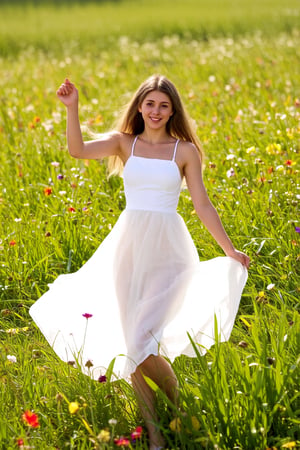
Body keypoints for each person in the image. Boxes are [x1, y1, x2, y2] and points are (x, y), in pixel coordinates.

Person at [30, 75, 249, 450]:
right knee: (133, 341)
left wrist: (228, 249)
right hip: (128, 247)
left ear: (173, 110)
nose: (156, 111)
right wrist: (72, 108)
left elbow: (202, 204)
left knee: (142, 341)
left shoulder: (184, 151)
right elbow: (78, 150)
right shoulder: (123, 143)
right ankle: (155, 435)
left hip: (170, 250)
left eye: (164, 105)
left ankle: (180, 410)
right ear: (140, 106)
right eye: (150, 104)